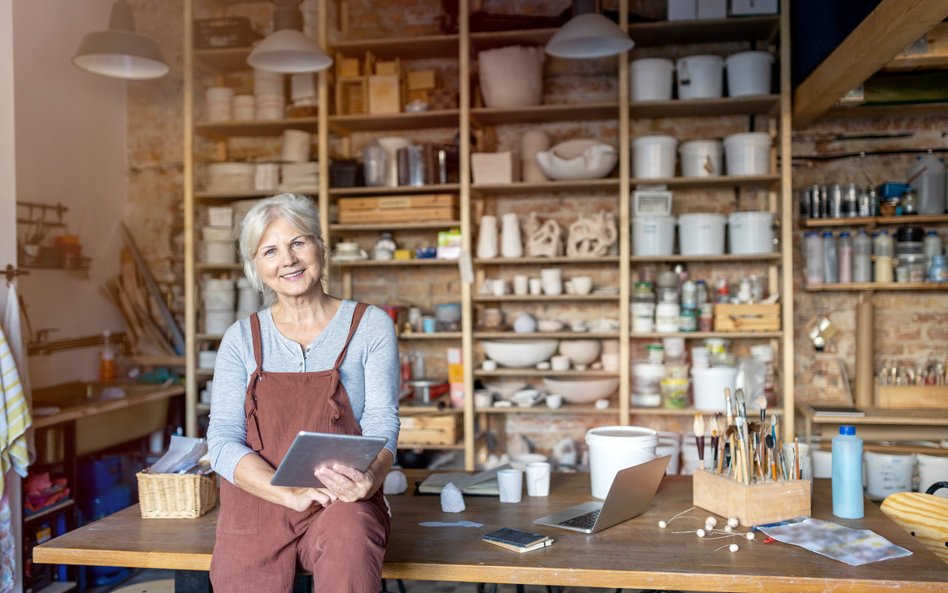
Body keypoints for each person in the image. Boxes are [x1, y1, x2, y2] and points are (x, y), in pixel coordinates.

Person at [207, 193, 400, 593]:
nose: (288, 260)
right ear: (257, 268)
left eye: (298, 242)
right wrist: (285, 491)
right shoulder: (240, 339)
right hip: (259, 502)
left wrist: (371, 476)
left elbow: (383, 420)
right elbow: (222, 438)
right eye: (270, 251)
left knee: (351, 540)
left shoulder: (370, 326)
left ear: (319, 246)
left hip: (340, 501)